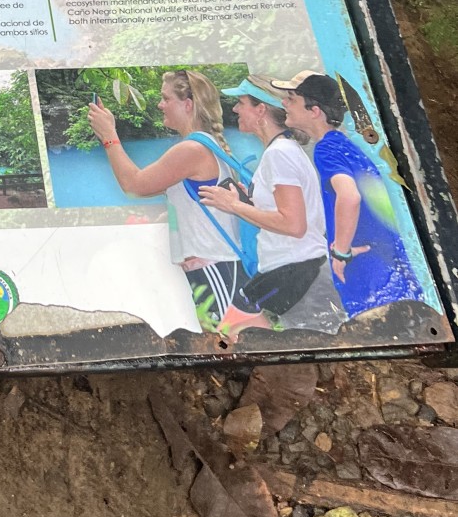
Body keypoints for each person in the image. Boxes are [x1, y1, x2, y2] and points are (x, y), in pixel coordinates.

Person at [86, 70, 251, 330]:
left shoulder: (192, 150)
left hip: (215, 267)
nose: (160, 104)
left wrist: (109, 136)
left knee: (227, 340)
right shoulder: (206, 145)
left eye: (165, 98)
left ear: (187, 105)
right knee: (222, 341)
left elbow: (135, 185)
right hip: (214, 265)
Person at [200, 80, 347, 337]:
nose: (234, 109)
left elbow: (293, 225)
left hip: (295, 271)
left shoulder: (280, 155)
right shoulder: (284, 151)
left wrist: (233, 205)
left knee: (229, 335)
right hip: (298, 269)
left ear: (261, 111)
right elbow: (287, 214)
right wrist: (249, 203)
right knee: (289, 343)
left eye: (241, 103)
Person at [271, 70, 423, 318]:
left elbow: (350, 197)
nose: (283, 103)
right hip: (385, 264)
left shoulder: (327, 149)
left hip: (365, 269)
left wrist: (340, 252)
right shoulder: (342, 145)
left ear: (314, 111)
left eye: (291, 98)